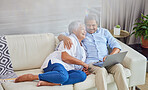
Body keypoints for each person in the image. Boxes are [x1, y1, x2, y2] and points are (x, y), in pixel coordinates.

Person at [58, 14, 129, 90]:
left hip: (106, 61)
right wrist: (65, 38)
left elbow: (117, 46)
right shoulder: (82, 33)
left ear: (97, 24)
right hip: (92, 63)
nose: (91, 28)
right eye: (88, 25)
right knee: (101, 71)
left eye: (93, 25)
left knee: (119, 67)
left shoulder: (104, 32)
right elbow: (60, 35)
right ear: (85, 25)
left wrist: (110, 56)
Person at [14, 21, 89, 87]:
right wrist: (82, 63)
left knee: (82, 75)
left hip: (68, 69)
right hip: (56, 63)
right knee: (63, 76)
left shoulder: (82, 48)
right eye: (82, 29)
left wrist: (82, 68)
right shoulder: (70, 40)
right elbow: (65, 57)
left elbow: (76, 64)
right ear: (74, 30)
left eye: (85, 29)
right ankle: (33, 77)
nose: (85, 31)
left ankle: (54, 83)